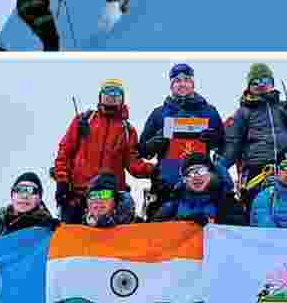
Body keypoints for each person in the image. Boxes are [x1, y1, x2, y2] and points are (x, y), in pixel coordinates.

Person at [219, 63, 287, 216]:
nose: (261, 85)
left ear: (272, 83)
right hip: (257, 174)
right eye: (255, 82)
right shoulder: (243, 113)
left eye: (265, 80)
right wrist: (216, 168)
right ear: (249, 87)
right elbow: (232, 147)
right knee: (258, 214)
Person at [53, 79, 153, 224]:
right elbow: (64, 152)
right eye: (107, 93)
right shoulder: (84, 120)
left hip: (110, 197)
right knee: (74, 233)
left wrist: (155, 170)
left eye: (116, 94)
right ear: (100, 97)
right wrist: (62, 182)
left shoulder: (127, 130)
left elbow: (134, 164)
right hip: (79, 193)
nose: (111, 97)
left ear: (122, 99)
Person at [138, 63, 224, 219]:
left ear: (193, 84)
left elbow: (222, 145)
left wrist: (213, 139)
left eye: (186, 80)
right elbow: (143, 150)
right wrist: (157, 142)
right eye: (177, 81)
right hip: (166, 183)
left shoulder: (209, 111)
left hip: (200, 182)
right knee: (161, 224)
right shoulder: (159, 113)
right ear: (171, 85)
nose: (182, 84)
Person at [152, 153, 247, 226]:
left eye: (201, 171)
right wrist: (179, 222)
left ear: (212, 175)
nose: (196, 177)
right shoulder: (174, 201)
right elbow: (155, 227)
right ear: (184, 179)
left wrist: (211, 221)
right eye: (190, 173)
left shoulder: (227, 200)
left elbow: (240, 229)